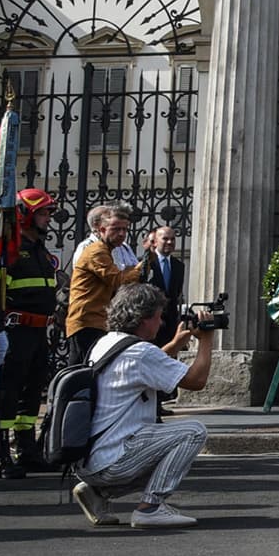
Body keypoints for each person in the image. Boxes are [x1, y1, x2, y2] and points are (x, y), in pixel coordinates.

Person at [70, 283, 213, 529]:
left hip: (90, 460)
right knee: (193, 432)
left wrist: (175, 343)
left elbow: (148, 365)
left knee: (164, 451)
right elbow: (196, 381)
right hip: (115, 460)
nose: (161, 323)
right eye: (158, 316)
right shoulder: (142, 353)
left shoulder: (106, 343)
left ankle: (97, 493)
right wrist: (207, 339)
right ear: (143, 319)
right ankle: (150, 508)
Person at [0, 188, 64, 478]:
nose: (48, 219)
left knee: (31, 395)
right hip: (15, 333)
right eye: (42, 213)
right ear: (25, 214)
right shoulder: (8, 250)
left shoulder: (40, 250)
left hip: (38, 333)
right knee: (6, 394)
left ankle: (26, 450)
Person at [66, 204, 140, 358]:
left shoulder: (107, 250)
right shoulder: (96, 251)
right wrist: (141, 267)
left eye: (125, 229)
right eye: (116, 229)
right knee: (82, 368)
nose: (122, 234)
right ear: (101, 230)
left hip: (97, 321)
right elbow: (118, 280)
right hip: (86, 322)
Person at [139, 225, 187, 343]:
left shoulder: (179, 266)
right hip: (149, 322)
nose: (170, 242)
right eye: (165, 239)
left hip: (170, 326)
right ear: (155, 242)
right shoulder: (143, 263)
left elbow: (176, 294)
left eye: (173, 239)